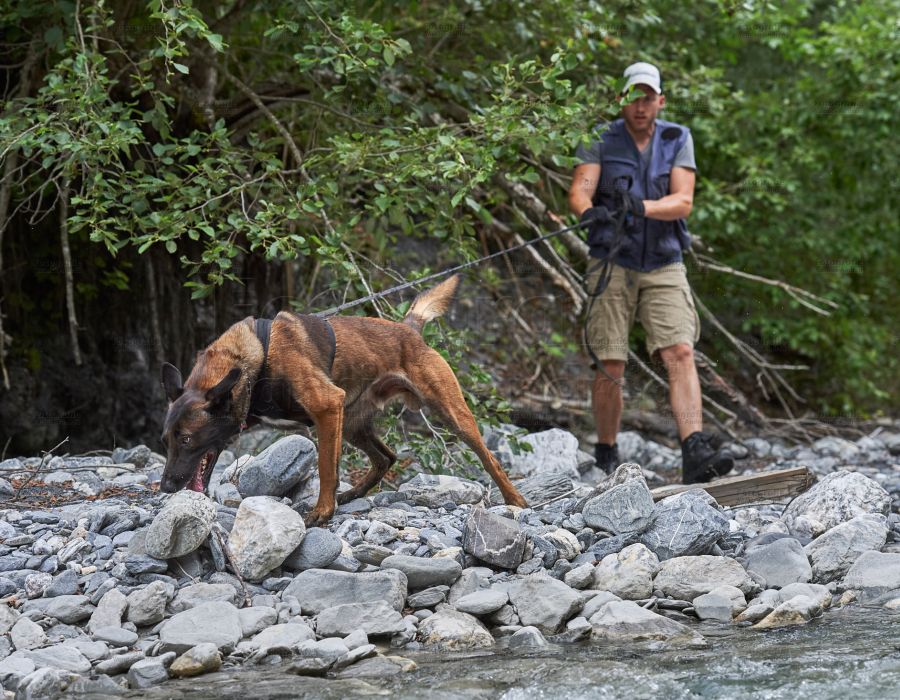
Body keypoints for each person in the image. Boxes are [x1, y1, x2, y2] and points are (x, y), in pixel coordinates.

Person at [567, 61, 733, 484]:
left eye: (647, 97)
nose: (640, 106)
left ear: (660, 100)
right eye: (632, 97)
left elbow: (683, 201)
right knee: (611, 361)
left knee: (679, 351)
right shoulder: (601, 138)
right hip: (612, 259)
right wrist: (592, 215)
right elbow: (580, 191)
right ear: (622, 99)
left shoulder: (678, 138)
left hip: (664, 259)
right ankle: (606, 452)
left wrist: (640, 207)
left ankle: (693, 449)